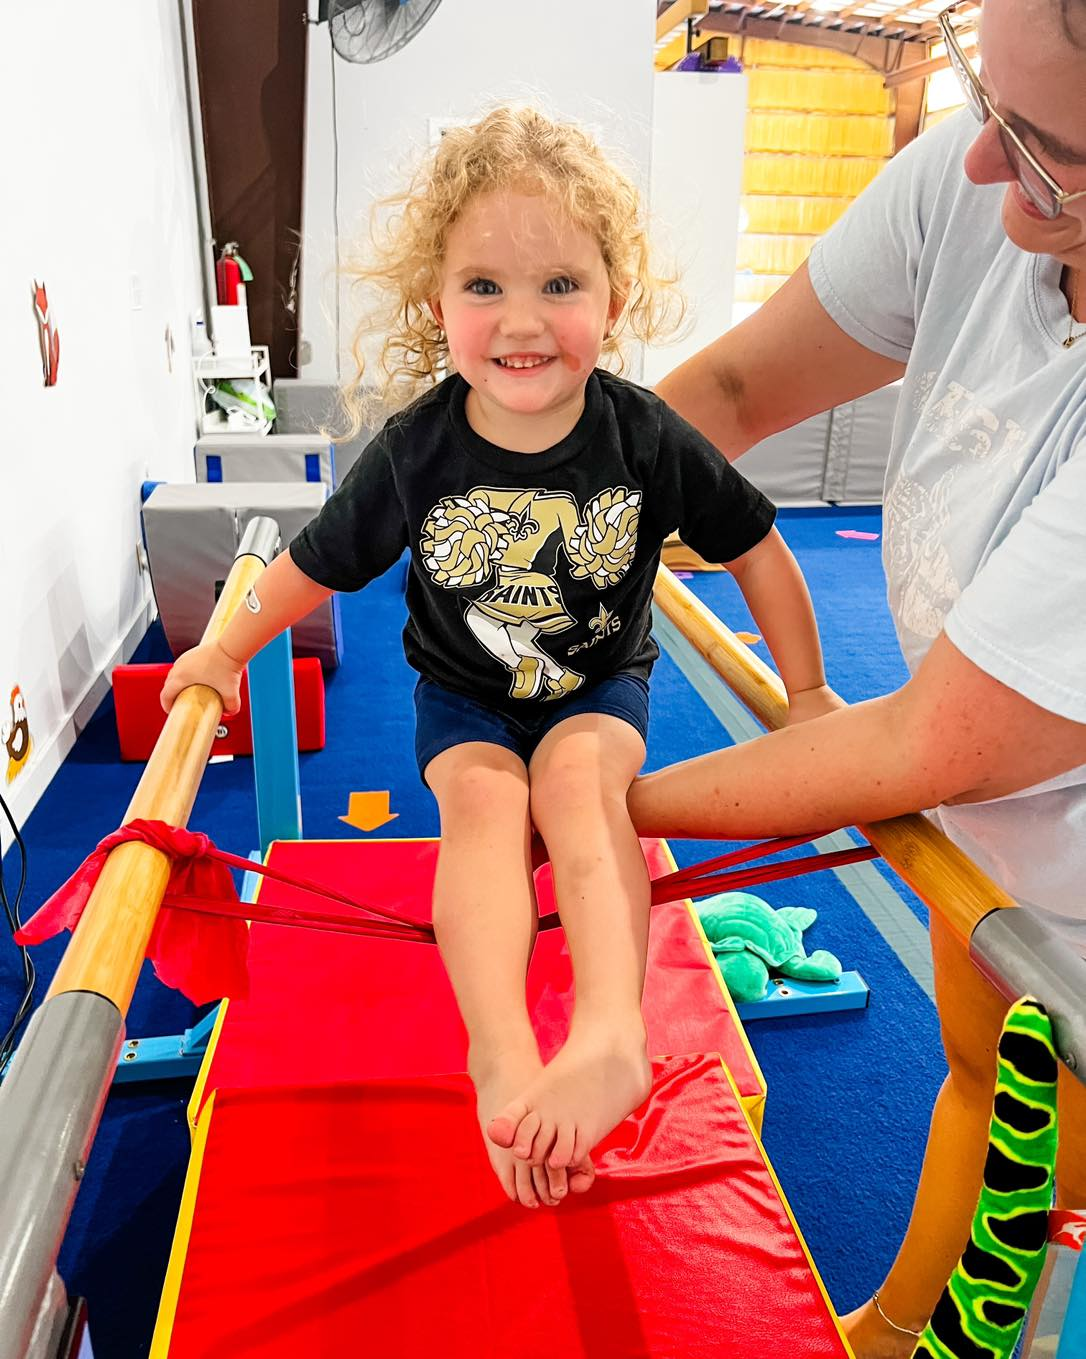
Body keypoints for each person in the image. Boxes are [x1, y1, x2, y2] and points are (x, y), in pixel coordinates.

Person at [160, 107, 839, 1211]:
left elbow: (756, 542)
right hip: (464, 693)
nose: (522, 321)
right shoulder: (418, 448)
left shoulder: (643, 433)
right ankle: (500, 1052)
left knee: (581, 789)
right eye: (485, 287)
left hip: (598, 684)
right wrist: (222, 651)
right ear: (438, 305)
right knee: (481, 807)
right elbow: (318, 564)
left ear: (615, 301)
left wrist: (807, 696)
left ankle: (613, 1032)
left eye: (560, 286)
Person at [627, 1, 1086, 1352]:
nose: (986, 165)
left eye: (1047, 145)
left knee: (1058, 1179)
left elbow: (924, 742)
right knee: (973, 1075)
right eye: (984, 104)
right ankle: (888, 1326)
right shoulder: (968, 174)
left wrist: (604, 796)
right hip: (992, 817)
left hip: (1025, 811)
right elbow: (718, 396)